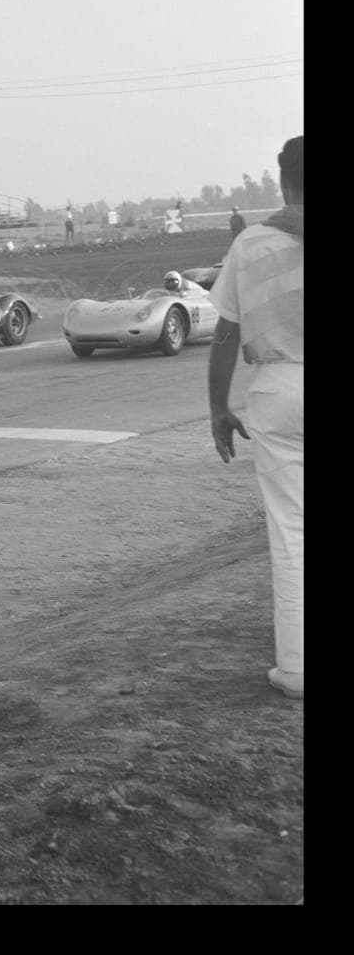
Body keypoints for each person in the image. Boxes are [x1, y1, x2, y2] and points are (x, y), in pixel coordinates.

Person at [208, 135, 303, 701]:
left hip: (278, 387)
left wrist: (217, 407)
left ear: (282, 181)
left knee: (292, 533)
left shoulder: (252, 245)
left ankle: (295, 669)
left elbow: (225, 332)